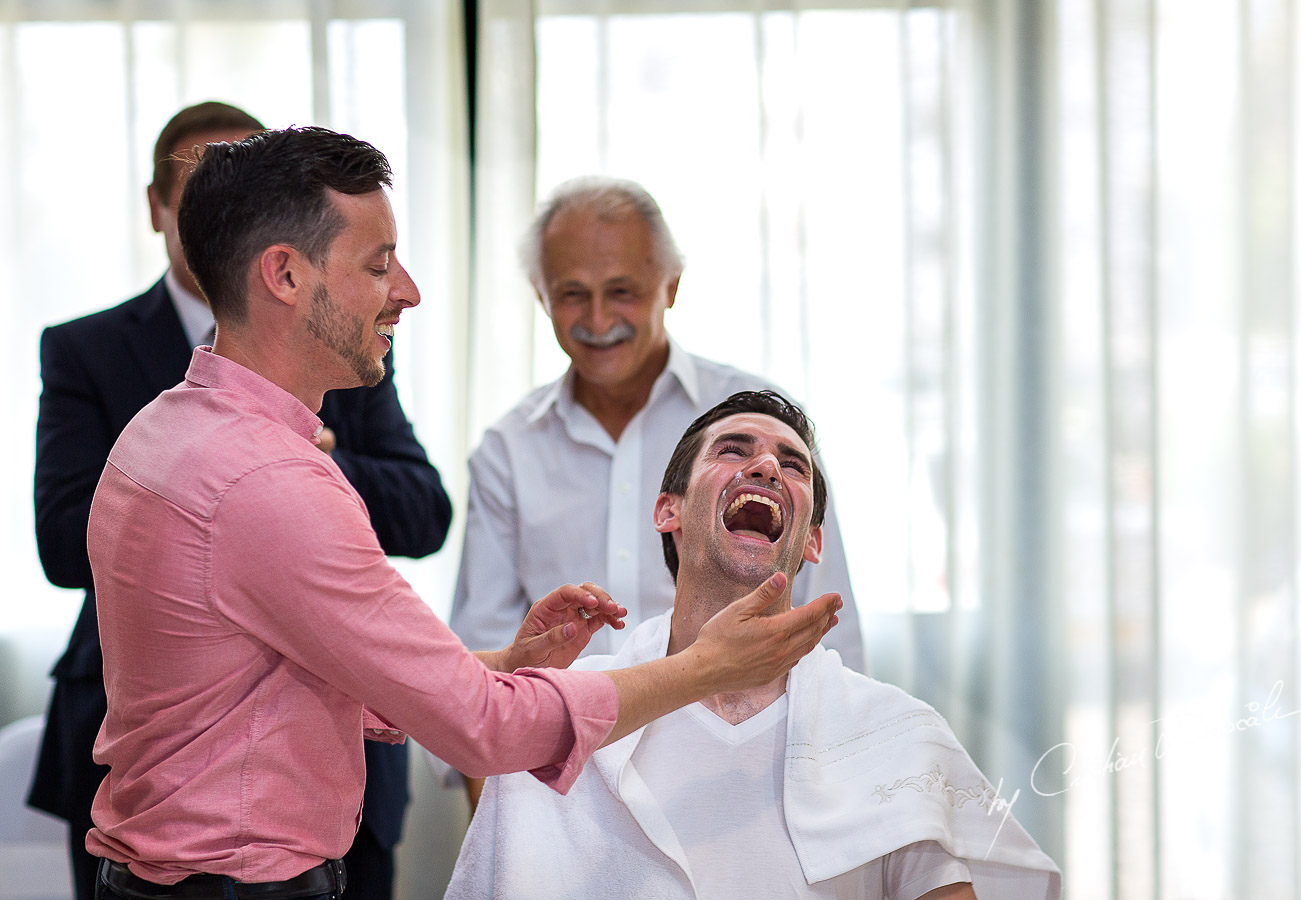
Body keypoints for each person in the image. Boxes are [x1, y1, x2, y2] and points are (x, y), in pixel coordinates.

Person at [83, 126, 841, 899]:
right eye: (378, 265)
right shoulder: (270, 482)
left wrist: (506, 667)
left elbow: (277, 682)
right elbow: (482, 726)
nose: (407, 290)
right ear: (283, 274)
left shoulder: (165, 428)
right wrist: (706, 667)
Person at [28, 101, 452, 900]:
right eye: (192, 188)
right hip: (146, 767)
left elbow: (426, 510)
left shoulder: (347, 336)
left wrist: (308, 465)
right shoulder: (86, 351)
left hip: (334, 750)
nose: (400, 290)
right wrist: (241, 484)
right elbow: (59, 541)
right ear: (159, 207)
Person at [447, 391, 1063, 900]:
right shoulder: (553, 715)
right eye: (733, 451)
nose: (766, 468)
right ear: (669, 510)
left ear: (813, 542)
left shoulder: (894, 734)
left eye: (793, 465)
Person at [449, 176, 865, 669]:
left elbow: (828, 631)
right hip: (570, 744)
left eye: (621, 291)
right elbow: (485, 654)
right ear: (541, 296)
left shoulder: (763, 429)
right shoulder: (508, 451)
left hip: (741, 740)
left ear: (671, 286)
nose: (599, 320)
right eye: (573, 294)